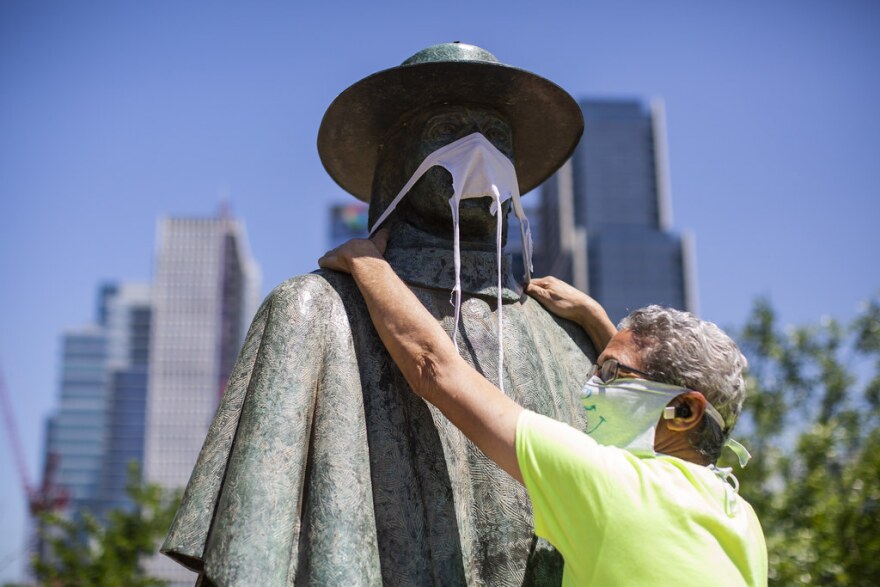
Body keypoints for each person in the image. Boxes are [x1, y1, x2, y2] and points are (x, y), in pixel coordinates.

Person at [162, 43, 594, 585]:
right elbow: (251, 553)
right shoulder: (317, 310)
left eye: (496, 138)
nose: (479, 151)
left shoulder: (565, 338)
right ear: (400, 161)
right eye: (450, 131)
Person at [318, 231, 769, 586]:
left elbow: (434, 367)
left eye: (609, 374)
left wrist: (366, 261)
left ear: (686, 413)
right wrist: (595, 318)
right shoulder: (741, 519)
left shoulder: (609, 486)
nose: (590, 387)